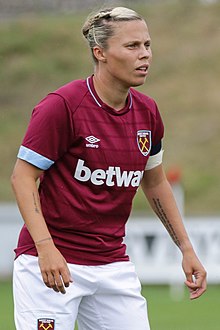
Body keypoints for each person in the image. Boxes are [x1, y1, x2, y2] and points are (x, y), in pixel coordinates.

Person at [11, 6, 206, 330]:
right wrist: (45, 249)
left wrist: (186, 249)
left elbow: (155, 183)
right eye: (132, 46)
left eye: (147, 45)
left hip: (112, 266)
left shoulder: (148, 113)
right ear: (99, 52)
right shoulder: (63, 106)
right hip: (49, 262)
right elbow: (23, 177)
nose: (144, 55)